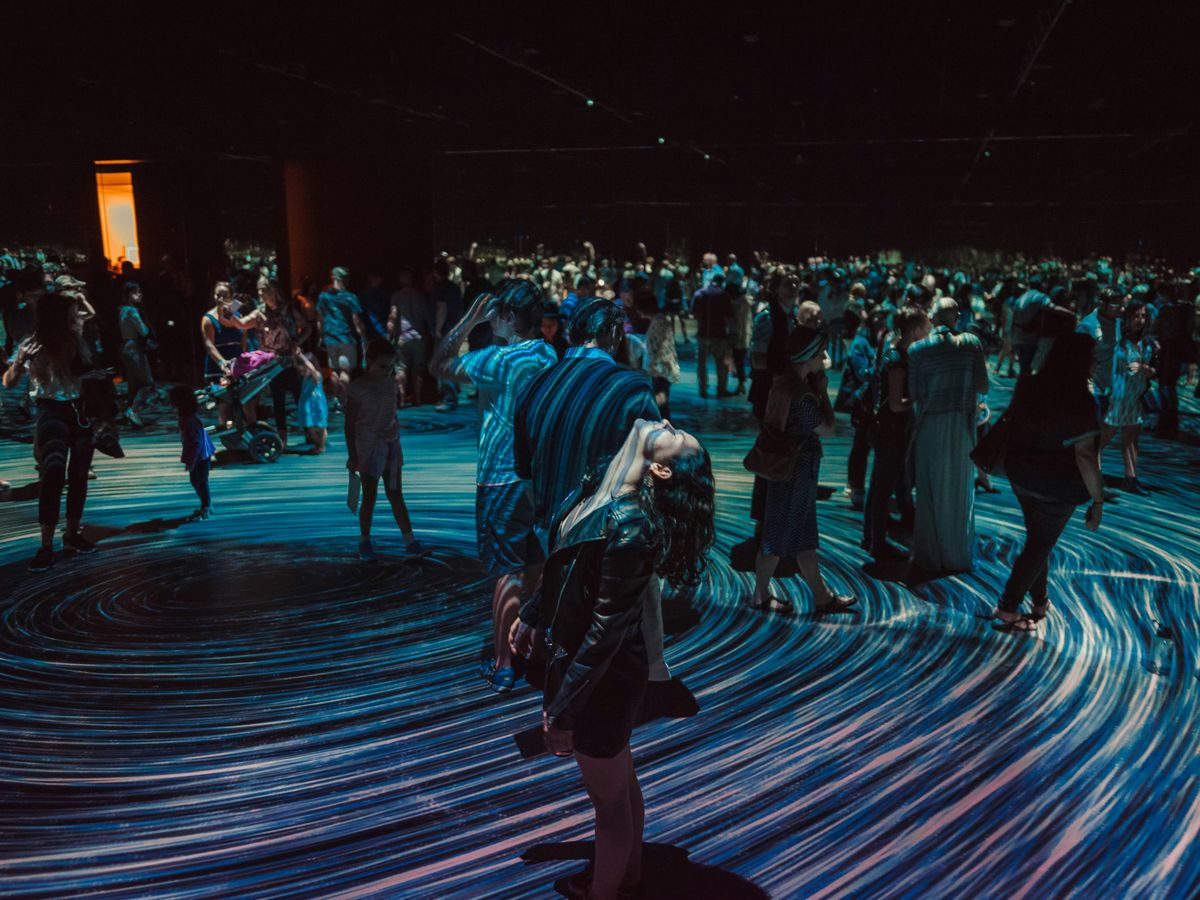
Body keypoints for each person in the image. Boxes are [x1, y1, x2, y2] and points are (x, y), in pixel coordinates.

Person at [513, 418, 715, 900]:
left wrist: (564, 708)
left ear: (661, 471)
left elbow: (606, 633)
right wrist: (533, 614)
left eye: (675, 435)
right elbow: (567, 562)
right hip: (594, 671)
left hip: (601, 679)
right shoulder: (603, 487)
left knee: (608, 802)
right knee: (620, 781)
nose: (664, 421)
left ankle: (604, 892)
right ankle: (628, 874)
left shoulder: (631, 525)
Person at [512, 299, 671, 682]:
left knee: (570, 623)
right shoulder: (632, 387)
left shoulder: (534, 385)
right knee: (625, 610)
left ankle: (562, 683)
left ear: (571, 333)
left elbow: (525, 472)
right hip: (610, 527)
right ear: (615, 336)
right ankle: (651, 675)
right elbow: (655, 460)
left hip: (552, 525)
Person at [430, 280, 557, 693]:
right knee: (536, 566)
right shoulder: (547, 354)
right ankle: (533, 651)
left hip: (500, 478)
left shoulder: (497, 361)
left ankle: (504, 664)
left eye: (495, 314)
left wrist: (468, 319)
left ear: (504, 316)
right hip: (540, 479)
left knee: (507, 572)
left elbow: (440, 363)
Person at [994, 333, 1105, 631]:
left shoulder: (1030, 385)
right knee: (1039, 544)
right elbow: (1084, 456)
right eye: (1092, 358)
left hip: (1021, 477)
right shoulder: (1082, 400)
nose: (1095, 363)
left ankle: (1040, 601)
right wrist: (1098, 499)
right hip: (1057, 487)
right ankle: (1007, 607)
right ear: (1081, 362)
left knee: (1037, 541)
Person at [751, 325, 857, 614]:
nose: (823, 357)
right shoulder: (802, 395)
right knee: (777, 536)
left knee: (803, 537)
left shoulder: (781, 383)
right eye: (819, 353)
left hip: (786, 469)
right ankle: (760, 596)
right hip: (796, 472)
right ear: (808, 356)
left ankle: (821, 596)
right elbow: (828, 429)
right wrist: (823, 393)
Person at [3, 292, 99, 571]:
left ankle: (71, 535)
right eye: (69, 314)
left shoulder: (75, 340)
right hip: (50, 410)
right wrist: (20, 361)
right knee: (53, 472)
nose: (74, 317)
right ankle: (45, 545)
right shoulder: (32, 343)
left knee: (79, 473)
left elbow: (86, 373)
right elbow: (8, 382)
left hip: (79, 409)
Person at [907, 297, 989, 575]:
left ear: (932, 317)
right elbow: (983, 385)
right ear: (956, 315)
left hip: (929, 424)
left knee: (929, 491)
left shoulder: (917, 349)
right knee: (959, 492)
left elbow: (916, 392)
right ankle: (958, 556)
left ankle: (930, 555)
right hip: (960, 425)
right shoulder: (972, 343)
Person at [345, 340, 428, 561]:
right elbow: (349, 424)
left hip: (390, 446)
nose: (388, 370)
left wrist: (395, 437)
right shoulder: (357, 389)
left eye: (391, 366)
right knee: (369, 496)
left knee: (396, 494)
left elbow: (393, 414)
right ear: (368, 361)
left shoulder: (391, 383)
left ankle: (410, 541)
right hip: (368, 448)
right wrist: (353, 455)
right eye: (383, 366)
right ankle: (364, 540)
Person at [863, 306, 929, 560]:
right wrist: (917, 396)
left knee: (878, 486)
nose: (928, 330)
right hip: (889, 430)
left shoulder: (899, 353)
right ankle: (877, 542)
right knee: (882, 488)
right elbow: (895, 403)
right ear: (914, 330)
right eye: (925, 326)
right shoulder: (897, 359)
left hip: (887, 430)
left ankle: (870, 537)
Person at [1101, 301, 1157, 495]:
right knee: (1104, 438)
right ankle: (1089, 472)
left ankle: (1130, 478)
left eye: (1143, 316)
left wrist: (1145, 369)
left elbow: (1151, 370)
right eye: (1135, 316)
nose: (1139, 320)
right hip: (1118, 396)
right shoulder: (1118, 340)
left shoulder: (1146, 343)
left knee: (1131, 439)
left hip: (1136, 397)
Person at [1076, 287, 1124, 422]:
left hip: (1109, 389)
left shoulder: (1118, 323)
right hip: (1090, 389)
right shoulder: (1087, 326)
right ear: (1102, 305)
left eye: (1121, 305)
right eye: (1115, 305)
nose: (1121, 309)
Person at [169, 385, 216, 521]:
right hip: (199, 454)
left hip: (200, 456)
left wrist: (191, 461)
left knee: (201, 481)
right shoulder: (187, 417)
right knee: (196, 481)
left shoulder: (190, 420)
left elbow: (196, 443)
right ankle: (207, 504)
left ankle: (206, 508)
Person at [317, 266, 366, 390]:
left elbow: (320, 320)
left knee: (334, 370)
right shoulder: (350, 297)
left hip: (330, 338)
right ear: (346, 279)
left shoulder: (323, 297)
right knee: (345, 371)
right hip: (346, 339)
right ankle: (343, 400)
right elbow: (357, 322)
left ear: (332, 277)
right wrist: (364, 339)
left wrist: (321, 336)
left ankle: (336, 401)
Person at [118, 281, 155, 427]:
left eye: (139, 291)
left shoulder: (122, 310)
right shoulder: (132, 311)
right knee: (147, 383)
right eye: (136, 292)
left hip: (126, 347)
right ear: (129, 295)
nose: (139, 295)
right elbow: (143, 331)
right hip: (133, 347)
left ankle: (128, 413)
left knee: (133, 384)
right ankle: (133, 411)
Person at [691, 273, 733, 398]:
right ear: (722, 282)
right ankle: (721, 389)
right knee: (721, 364)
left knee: (701, 363)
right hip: (719, 334)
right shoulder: (725, 295)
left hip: (703, 333)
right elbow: (728, 316)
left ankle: (703, 389)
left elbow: (694, 313)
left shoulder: (699, 293)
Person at [296, 351, 328, 453]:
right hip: (307, 404)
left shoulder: (316, 375)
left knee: (320, 426)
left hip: (316, 404)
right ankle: (317, 444)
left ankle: (321, 446)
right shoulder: (306, 376)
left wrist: (301, 357)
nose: (302, 371)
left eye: (304, 368)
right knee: (310, 426)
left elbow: (311, 368)